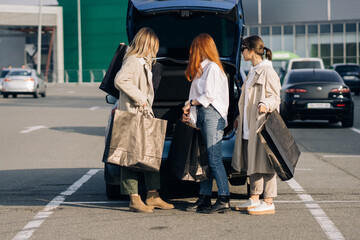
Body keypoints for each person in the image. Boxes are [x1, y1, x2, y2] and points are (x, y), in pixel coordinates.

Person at [114, 27, 174, 213]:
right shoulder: (132, 61)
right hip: (132, 116)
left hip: (142, 116)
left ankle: (153, 196)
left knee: (150, 155)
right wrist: (140, 99)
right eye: (153, 46)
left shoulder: (144, 63)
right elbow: (120, 80)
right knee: (129, 157)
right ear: (147, 44)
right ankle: (134, 198)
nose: (155, 50)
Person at [232, 35, 281, 215]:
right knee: (252, 160)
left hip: (261, 124)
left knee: (265, 162)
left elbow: (275, 97)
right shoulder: (253, 70)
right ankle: (254, 197)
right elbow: (246, 101)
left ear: (251, 50)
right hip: (249, 124)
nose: (242, 52)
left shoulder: (267, 71)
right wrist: (239, 116)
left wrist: (265, 104)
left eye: (244, 49)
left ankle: (268, 201)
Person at [182, 33, 230, 214]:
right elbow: (194, 98)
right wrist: (191, 116)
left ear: (202, 48)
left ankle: (224, 198)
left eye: (194, 46)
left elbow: (208, 96)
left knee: (214, 158)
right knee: (206, 160)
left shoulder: (213, 69)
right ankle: (204, 198)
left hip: (212, 115)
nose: (191, 50)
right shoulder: (201, 69)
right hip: (203, 114)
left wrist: (190, 104)